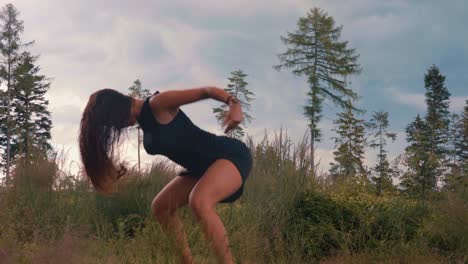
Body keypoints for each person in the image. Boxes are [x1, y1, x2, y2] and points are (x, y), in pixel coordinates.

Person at [78, 86, 253, 264]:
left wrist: (233, 104)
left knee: (199, 201)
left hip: (228, 155)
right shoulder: (144, 122)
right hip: (200, 168)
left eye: (115, 121)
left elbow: (205, 91)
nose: (119, 126)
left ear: (118, 108)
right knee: (161, 207)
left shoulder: (158, 104)